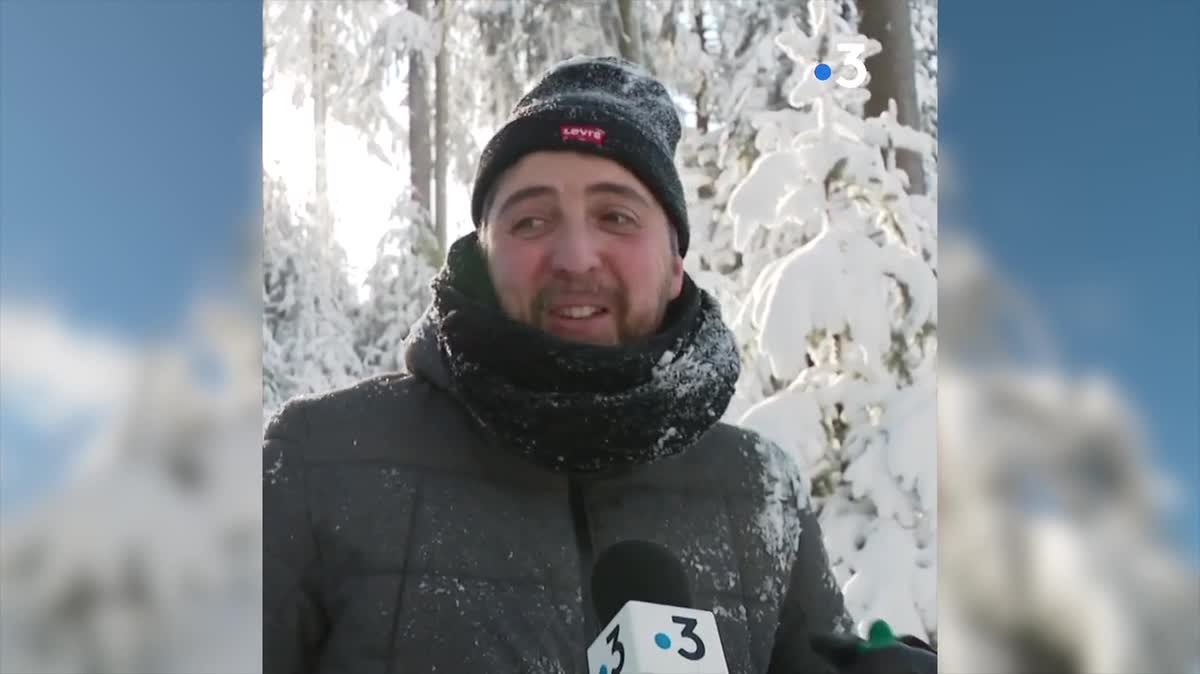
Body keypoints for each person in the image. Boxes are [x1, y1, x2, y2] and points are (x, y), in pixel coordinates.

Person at [264, 56, 931, 674]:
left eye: (615, 215)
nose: (576, 256)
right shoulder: (317, 463)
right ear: (484, 257)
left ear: (675, 266)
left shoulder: (760, 489)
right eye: (530, 222)